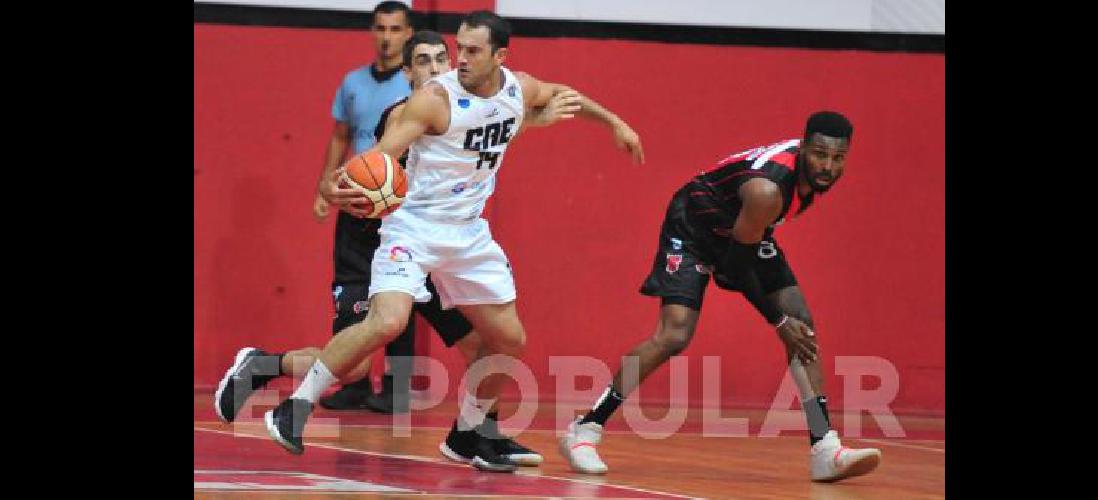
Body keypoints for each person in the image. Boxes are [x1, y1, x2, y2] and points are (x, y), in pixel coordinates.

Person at [216, 22, 594, 471]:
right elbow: (366, 167)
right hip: (380, 236)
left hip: (450, 244)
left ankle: (475, 437)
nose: (438, 67)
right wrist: (336, 185)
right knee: (358, 362)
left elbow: (478, 136)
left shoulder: (469, 98)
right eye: (424, 61)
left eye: (442, 58)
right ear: (407, 72)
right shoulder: (407, 113)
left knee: (488, 343)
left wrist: (536, 121)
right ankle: (266, 368)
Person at [560, 111, 883, 483]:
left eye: (838, 158)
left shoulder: (805, 180)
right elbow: (735, 269)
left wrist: (786, 320)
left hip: (743, 231)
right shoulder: (769, 189)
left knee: (802, 322)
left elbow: (744, 251)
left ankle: (824, 448)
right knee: (674, 335)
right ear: (803, 147)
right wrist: (777, 322)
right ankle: (584, 431)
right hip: (694, 228)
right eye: (820, 155)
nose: (827, 166)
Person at [310, 1, 419, 414]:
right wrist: (325, 185)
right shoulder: (352, 82)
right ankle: (353, 380)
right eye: (380, 28)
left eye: (395, 29)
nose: (387, 36)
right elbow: (341, 136)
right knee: (351, 290)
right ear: (372, 32)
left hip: (398, 203)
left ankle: (396, 388)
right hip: (357, 199)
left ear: (408, 34)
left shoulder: (415, 88)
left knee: (404, 294)